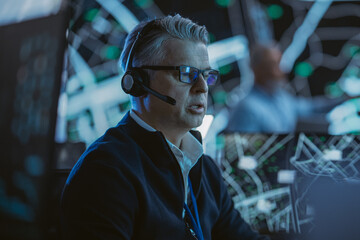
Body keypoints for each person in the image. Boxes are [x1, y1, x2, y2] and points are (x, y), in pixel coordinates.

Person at [61, 15, 268, 240]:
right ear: (138, 82)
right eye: (186, 73)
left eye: (206, 75)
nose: (202, 87)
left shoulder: (203, 169)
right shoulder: (106, 172)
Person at [225, 44, 342, 133]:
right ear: (257, 69)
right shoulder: (246, 108)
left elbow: (311, 108)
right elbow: (241, 156)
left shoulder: (281, 97)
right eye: (274, 65)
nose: (282, 70)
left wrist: (345, 98)